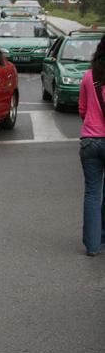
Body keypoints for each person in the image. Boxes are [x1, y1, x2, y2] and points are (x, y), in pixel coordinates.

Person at [78, 35, 105, 256]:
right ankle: (102, 236)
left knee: (92, 193)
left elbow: (82, 109)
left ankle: (92, 245)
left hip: (90, 141)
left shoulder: (89, 76)